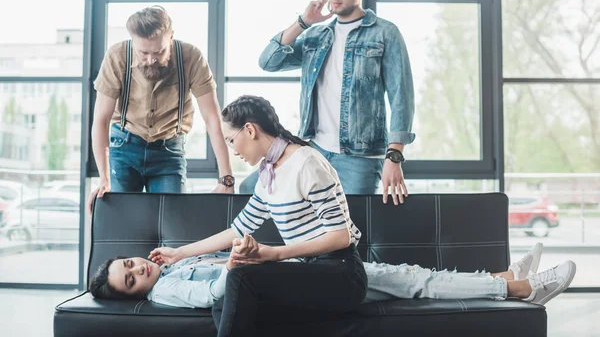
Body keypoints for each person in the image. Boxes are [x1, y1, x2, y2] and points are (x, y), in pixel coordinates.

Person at [146, 95, 368, 337]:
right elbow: (236, 230)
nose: (232, 150)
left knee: (241, 279)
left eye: (231, 140)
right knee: (223, 303)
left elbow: (340, 237)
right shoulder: (268, 174)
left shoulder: (306, 163)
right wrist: (178, 253)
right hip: (310, 270)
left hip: (342, 274)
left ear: (249, 130)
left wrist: (275, 253)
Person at [245, 0, 415, 206]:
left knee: (351, 235)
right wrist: (304, 22)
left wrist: (394, 157)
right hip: (314, 150)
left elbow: (401, 97)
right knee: (254, 192)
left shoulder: (385, 34)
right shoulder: (317, 36)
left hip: (360, 159)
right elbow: (268, 61)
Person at [90, 241, 576, 309]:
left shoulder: (174, 268)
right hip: (304, 285)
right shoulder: (167, 292)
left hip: (303, 274)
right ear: (134, 293)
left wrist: (182, 253)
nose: (138, 270)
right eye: (130, 278)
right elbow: (215, 296)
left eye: (129, 263)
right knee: (409, 281)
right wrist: (236, 262)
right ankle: (517, 288)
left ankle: (499, 276)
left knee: (405, 277)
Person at [87, 6, 235, 215]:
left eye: (158, 52)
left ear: (171, 38)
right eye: (143, 53)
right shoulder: (117, 56)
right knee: (124, 225)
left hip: (169, 152)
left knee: (172, 224)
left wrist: (226, 178)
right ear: (133, 42)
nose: (150, 59)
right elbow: (101, 121)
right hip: (124, 147)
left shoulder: (191, 57)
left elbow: (212, 118)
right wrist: (104, 179)